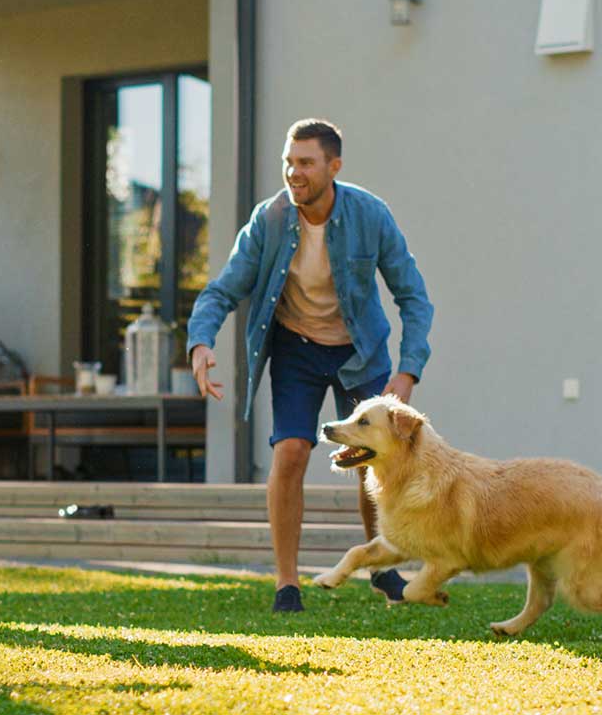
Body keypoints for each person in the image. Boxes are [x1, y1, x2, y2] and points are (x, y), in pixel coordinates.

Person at [186, 118, 434, 612]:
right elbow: (223, 289)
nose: (293, 173)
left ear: (333, 166)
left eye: (305, 163)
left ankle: (382, 567)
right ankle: (286, 583)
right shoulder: (269, 220)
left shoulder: (370, 215)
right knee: (292, 451)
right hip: (297, 347)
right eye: (288, 162)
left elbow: (414, 297)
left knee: (375, 460)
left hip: (359, 349)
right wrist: (200, 341)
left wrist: (407, 371)